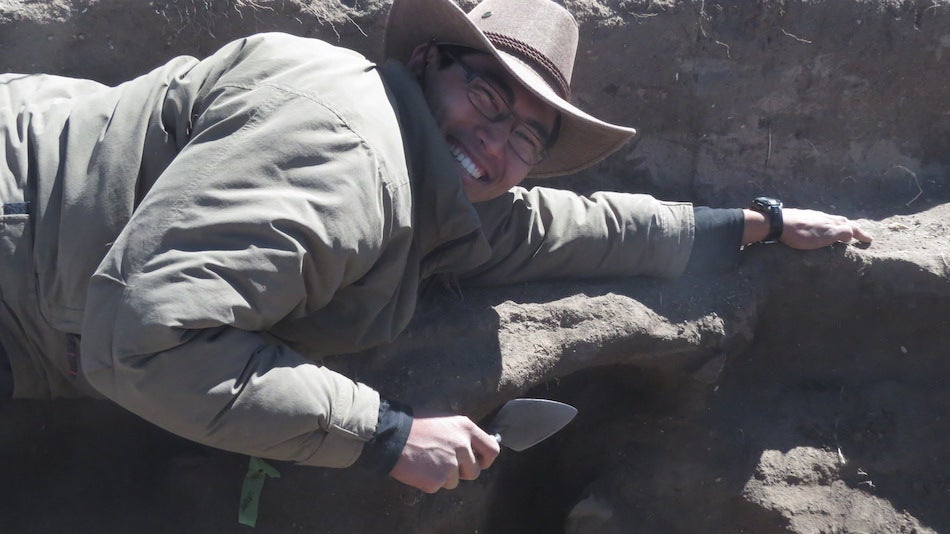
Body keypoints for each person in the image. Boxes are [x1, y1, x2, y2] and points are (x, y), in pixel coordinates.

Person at [0, 0, 871, 494]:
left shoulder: (428, 170)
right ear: (428, 62)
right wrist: (385, 435)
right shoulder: (352, 160)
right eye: (489, 101)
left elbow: (556, 230)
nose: (497, 147)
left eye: (527, 140)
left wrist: (750, 223)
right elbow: (145, 340)